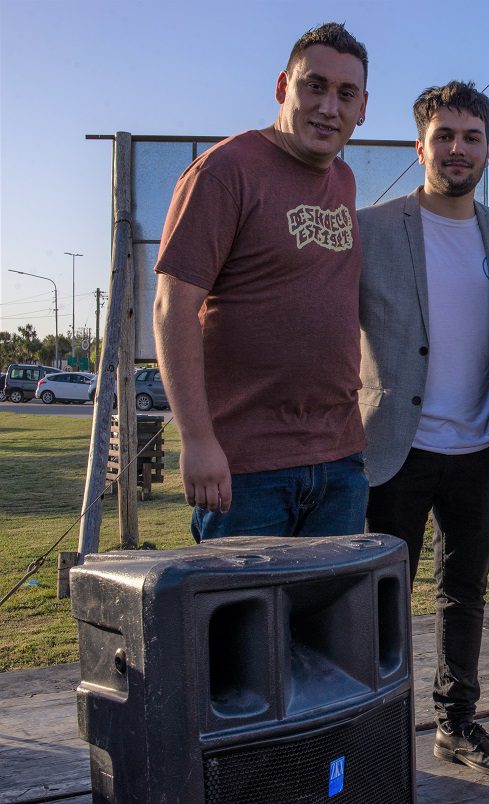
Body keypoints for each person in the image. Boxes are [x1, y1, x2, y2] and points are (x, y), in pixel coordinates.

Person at [357, 81, 489, 777]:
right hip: (391, 448)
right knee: (376, 602)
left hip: (482, 448)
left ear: (488, 148)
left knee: (466, 596)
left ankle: (457, 723)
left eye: (472, 137)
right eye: (446, 136)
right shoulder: (371, 228)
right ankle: (373, 732)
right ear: (419, 145)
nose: (459, 149)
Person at [153, 23, 370, 541]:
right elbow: (171, 311)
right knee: (250, 624)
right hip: (245, 468)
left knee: (330, 623)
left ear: (363, 107)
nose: (329, 107)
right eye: (313, 86)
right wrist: (198, 441)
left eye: (346, 93)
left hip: (339, 461)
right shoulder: (224, 171)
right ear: (282, 87)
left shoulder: (343, 179)